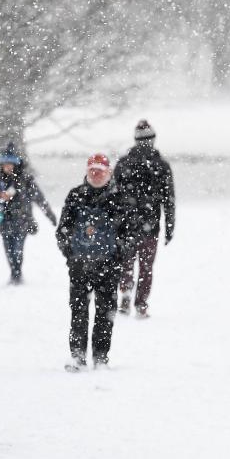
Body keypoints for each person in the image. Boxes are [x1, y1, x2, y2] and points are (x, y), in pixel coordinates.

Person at [56, 154, 136, 371]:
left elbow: (130, 234)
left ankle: (101, 357)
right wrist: (71, 255)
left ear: (108, 172)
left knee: (105, 313)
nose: (96, 173)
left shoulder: (120, 198)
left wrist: (117, 254)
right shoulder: (75, 196)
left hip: (109, 267)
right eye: (92, 169)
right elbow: (62, 229)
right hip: (79, 266)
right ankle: (78, 357)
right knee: (78, 312)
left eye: (100, 170)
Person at [114, 120, 176, 317]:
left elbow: (113, 195)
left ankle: (126, 294)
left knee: (127, 263)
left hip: (127, 223)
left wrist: (113, 220)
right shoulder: (161, 165)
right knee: (146, 267)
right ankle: (141, 303)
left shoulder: (124, 163)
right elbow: (169, 199)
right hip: (149, 224)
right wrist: (169, 226)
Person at [0, 143, 57, 284]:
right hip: (3, 221)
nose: (8, 167)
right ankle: (14, 272)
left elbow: (40, 199)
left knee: (18, 249)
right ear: (1, 164)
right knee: (8, 250)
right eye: (5, 164)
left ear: (16, 164)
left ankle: (17, 274)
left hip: (22, 220)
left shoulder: (26, 180)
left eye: (11, 164)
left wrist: (50, 215)